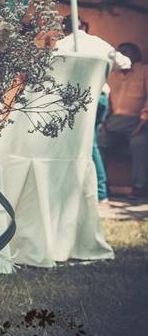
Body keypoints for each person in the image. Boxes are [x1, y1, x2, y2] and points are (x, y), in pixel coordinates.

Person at [56, 17, 131, 202]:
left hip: (78, 100)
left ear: (63, 28)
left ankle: (96, 192)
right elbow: (125, 63)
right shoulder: (98, 42)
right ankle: (96, 191)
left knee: (79, 145)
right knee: (90, 143)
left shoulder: (61, 45)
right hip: (101, 98)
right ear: (83, 26)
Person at [99, 42, 148, 200]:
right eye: (120, 53)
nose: (123, 55)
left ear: (136, 55)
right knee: (99, 141)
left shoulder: (144, 71)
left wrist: (142, 123)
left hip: (137, 120)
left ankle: (139, 188)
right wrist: (104, 121)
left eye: (126, 52)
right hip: (114, 120)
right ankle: (102, 186)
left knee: (139, 143)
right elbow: (107, 100)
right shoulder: (113, 73)